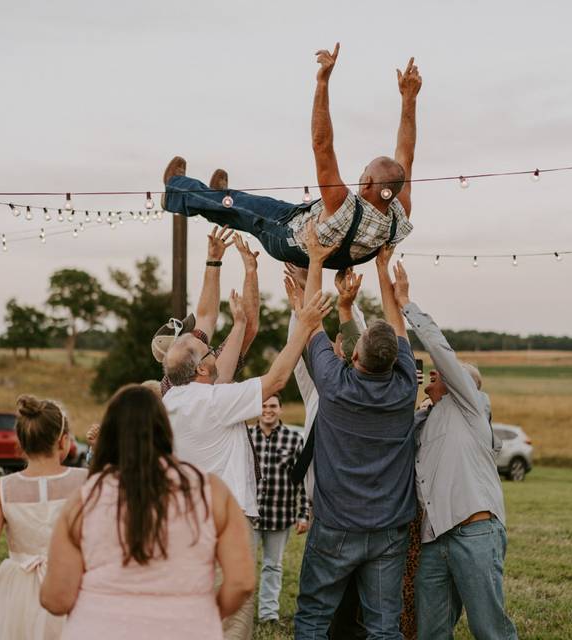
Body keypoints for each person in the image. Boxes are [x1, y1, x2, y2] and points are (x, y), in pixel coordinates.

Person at [161, 270, 334, 640]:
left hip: (184, 520)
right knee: (232, 618)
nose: (216, 355)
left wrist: (240, 323)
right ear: (202, 368)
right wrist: (304, 325)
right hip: (227, 518)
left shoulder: (169, 401)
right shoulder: (214, 401)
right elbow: (275, 381)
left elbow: (221, 374)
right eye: (210, 353)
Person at [161, 45, 421, 270]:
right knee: (245, 205)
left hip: (287, 239)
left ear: (366, 184)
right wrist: (408, 98)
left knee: (243, 209)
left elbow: (322, 145)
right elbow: (405, 155)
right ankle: (219, 198)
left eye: (364, 172)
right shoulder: (399, 213)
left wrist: (322, 83)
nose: (361, 175)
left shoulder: (343, 205)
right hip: (315, 231)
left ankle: (175, 190)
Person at [40, 385, 255, 639]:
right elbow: (242, 582)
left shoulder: (84, 499)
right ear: (166, 429)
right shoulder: (213, 491)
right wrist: (205, 614)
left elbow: (56, 599)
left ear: (109, 434)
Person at [293, 225, 418, 640]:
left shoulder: (334, 384)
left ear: (356, 353)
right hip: (388, 530)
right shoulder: (405, 389)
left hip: (336, 527)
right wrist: (384, 273)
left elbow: (311, 326)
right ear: (395, 361)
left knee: (312, 617)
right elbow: (398, 328)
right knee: (384, 627)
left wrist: (314, 259)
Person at [386, 257, 517, 640]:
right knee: (430, 632)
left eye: (441, 374)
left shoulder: (470, 408)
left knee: (489, 629)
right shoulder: (425, 423)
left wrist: (407, 304)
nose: (433, 374)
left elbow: (442, 351)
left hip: (475, 532)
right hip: (434, 541)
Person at [0, 395, 87, 639]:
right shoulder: (85, 482)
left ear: (20, 444)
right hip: (71, 582)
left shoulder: (2, 488)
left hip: (17, 588)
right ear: (63, 441)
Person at [152, 227, 259, 397]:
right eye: (189, 334)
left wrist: (213, 260)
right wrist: (250, 272)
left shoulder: (186, 370)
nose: (195, 333)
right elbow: (249, 328)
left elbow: (206, 315)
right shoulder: (207, 374)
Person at [247, 393, 310, 624]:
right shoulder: (247, 437)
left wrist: (303, 513)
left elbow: (302, 480)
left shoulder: (293, 440)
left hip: (280, 515)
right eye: (263, 405)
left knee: (273, 566)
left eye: (273, 405)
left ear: (280, 409)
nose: (268, 409)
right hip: (249, 516)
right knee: (244, 566)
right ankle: (243, 614)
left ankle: (268, 615)